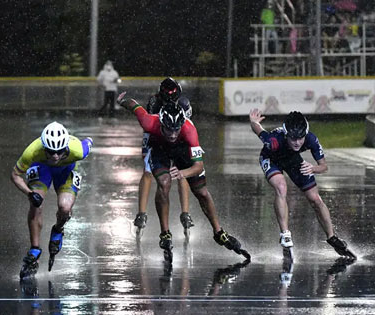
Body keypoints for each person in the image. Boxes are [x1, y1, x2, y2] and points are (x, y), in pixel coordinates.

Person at [118, 93, 251, 263]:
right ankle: (165, 232)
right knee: (164, 183)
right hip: (160, 149)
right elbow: (134, 106)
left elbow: (199, 166)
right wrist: (121, 100)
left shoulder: (189, 130)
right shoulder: (149, 121)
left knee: (202, 192)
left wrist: (183, 173)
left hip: (183, 150)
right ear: (161, 123)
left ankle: (218, 232)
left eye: (176, 129)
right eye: (169, 129)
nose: (173, 134)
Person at [248, 109, 356, 260]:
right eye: (293, 139)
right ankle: (285, 235)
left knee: (315, 199)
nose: (297, 142)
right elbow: (258, 130)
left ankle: (332, 237)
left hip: (293, 160)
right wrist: (254, 122)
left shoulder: (311, 139)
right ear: (286, 135)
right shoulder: (274, 141)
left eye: (301, 138)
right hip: (272, 159)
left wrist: (313, 168)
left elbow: (324, 166)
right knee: (281, 187)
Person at [12, 121, 93, 279]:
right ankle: (34, 249)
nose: (55, 156)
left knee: (65, 207)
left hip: (66, 171)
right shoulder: (32, 151)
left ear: (66, 147)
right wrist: (29, 194)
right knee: (36, 203)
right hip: (42, 168)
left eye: (60, 151)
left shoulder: (78, 150)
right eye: (51, 151)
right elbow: (14, 175)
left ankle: (58, 229)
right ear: (44, 147)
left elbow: (89, 141)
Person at [134, 77, 194, 238]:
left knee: (181, 173)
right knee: (147, 171)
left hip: (177, 139)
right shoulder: (154, 102)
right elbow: (148, 126)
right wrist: (146, 147)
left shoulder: (184, 104)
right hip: (159, 138)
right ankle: (142, 212)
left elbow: (188, 127)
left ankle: (185, 212)